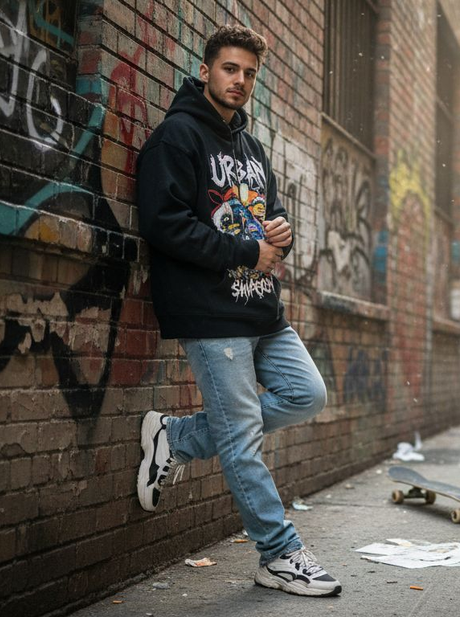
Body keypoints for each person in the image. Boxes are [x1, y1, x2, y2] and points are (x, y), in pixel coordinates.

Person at [134, 24, 340, 598]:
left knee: (307, 395)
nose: (240, 81)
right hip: (209, 313)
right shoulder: (176, 138)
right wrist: (248, 251)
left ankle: (176, 438)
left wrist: (280, 231)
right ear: (205, 71)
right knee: (243, 434)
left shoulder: (250, 146)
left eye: (249, 73)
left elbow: (268, 214)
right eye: (230, 69)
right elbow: (165, 225)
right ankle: (279, 554)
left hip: (261, 310)